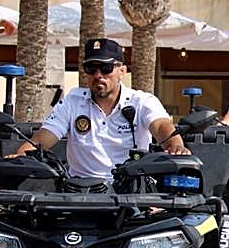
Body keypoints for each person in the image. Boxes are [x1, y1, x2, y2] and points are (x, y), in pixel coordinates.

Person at [14, 38, 189, 178]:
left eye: (106, 68)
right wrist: (20, 156)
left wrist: (176, 146)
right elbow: (43, 138)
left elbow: (160, 126)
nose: (98, 75)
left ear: (122, 71)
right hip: (80, 192)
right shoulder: (72, 102)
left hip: (132, 190)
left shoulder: (141, 101)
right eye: (91, 68)